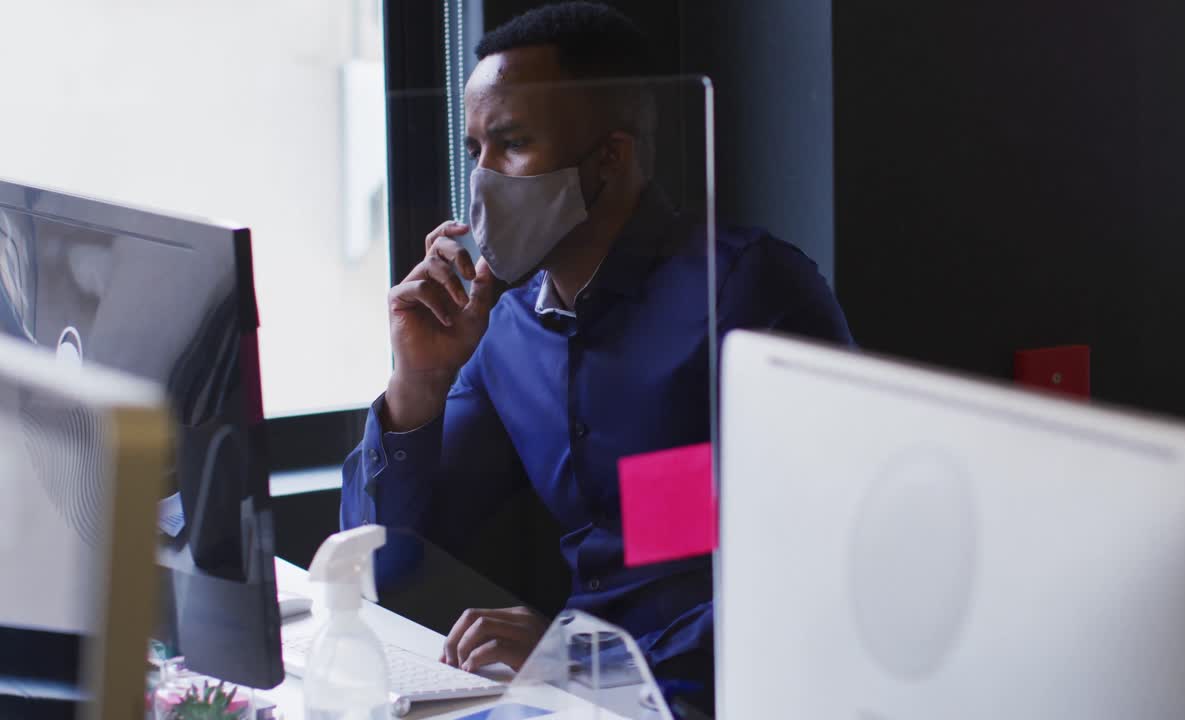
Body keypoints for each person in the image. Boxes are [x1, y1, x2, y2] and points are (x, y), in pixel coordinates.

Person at [340, 1, 852, 715]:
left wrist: (581, 663)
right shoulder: (506, 332)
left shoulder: (747, 291)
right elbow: (377, 563)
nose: (482, 180)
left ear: (610, 158)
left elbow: (821, 558)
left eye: (512, 143)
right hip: (577, 701)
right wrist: (416, 384)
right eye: (473, 150)